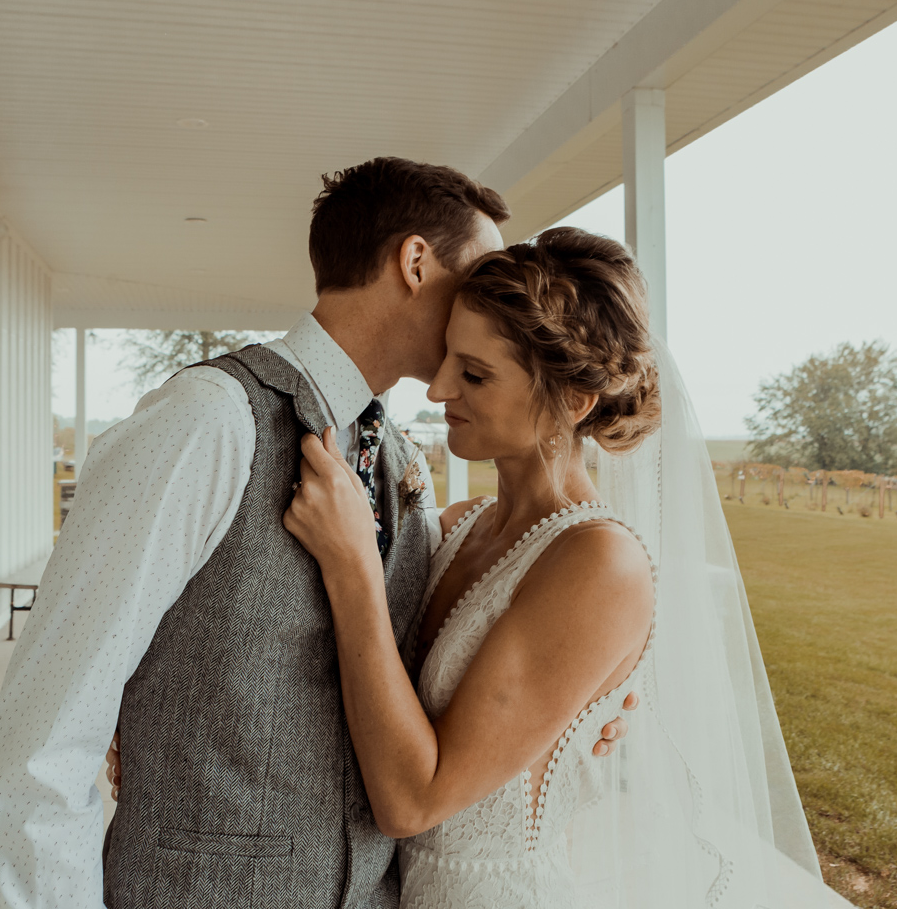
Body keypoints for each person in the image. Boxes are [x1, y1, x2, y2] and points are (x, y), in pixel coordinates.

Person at [0, 158, 634, 909]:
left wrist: (581, 716)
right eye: (482, 271)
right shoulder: (210, 421)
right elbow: (42, 741)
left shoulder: (400, 460)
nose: (497, 296)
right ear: (415, 262)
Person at [271, 229, 856, 907]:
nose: (436, 388)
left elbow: (413, 801)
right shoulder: (458, 528)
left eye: (474, 373)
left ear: (573, 402)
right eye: (446, 360)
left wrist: (354, 572)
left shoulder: (601, 563)